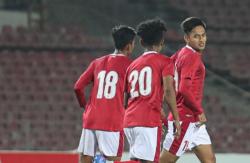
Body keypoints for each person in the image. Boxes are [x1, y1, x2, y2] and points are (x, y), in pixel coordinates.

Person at [74, 25, 136, 163]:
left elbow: (78, 87)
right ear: (129, 46)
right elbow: (133, 94)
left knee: (85, 158)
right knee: (113, 159)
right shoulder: (131, 66)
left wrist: (85, 106)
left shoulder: (97, 62)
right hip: (113, 120)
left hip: (91, 118)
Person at [123, 18, 181, 163]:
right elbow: (168, 91)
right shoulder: (165, 62)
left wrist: (159, 116)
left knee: (137, 160)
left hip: (129, 121)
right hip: (147, 121)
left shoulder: (132, 65)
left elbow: (126, 99)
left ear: (141, 42)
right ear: (162, 42)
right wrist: (176, 119)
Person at [160, 17, 216, 163]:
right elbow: (184, 89)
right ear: (186, 37)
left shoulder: (179, 54)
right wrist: (199, 111)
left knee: (210, 160)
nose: (201, 39)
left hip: (193, 121)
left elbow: (165, 75)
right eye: (196, 36)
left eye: (203, 35)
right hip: (185, 118)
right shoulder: (192, 56)